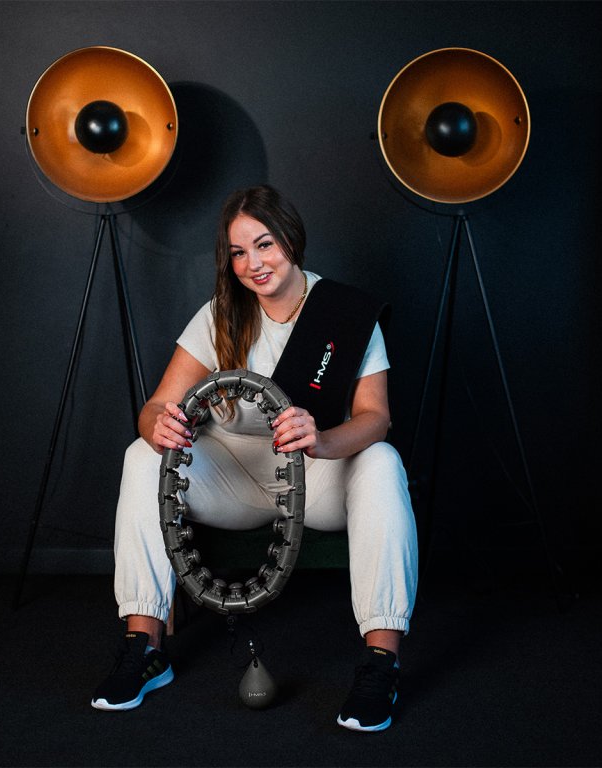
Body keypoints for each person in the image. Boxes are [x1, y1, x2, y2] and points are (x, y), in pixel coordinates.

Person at [91, 185, 418, 732]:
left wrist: (322, 440)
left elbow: (376, 417)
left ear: (290, 238)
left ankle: (381, 661)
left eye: (264, 244)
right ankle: (144, 649)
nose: (253, 264)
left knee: (382, 460)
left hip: (315, 474)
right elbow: (153, 407)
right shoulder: (221, 314)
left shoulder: (345, 313)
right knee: (142, 456)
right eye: (238, 252)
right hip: (233, 477)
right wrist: (157, 426)